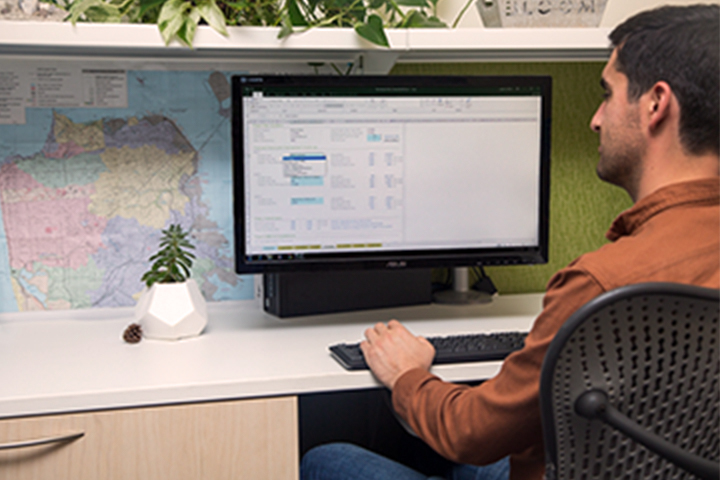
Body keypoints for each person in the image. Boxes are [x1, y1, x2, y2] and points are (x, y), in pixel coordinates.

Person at [300, 4, 720, 480]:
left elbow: (471, 434)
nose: (596, 120)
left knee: (326, 458)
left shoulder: (602, 286)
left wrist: (408, 374)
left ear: (656, 104)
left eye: (607, 93)